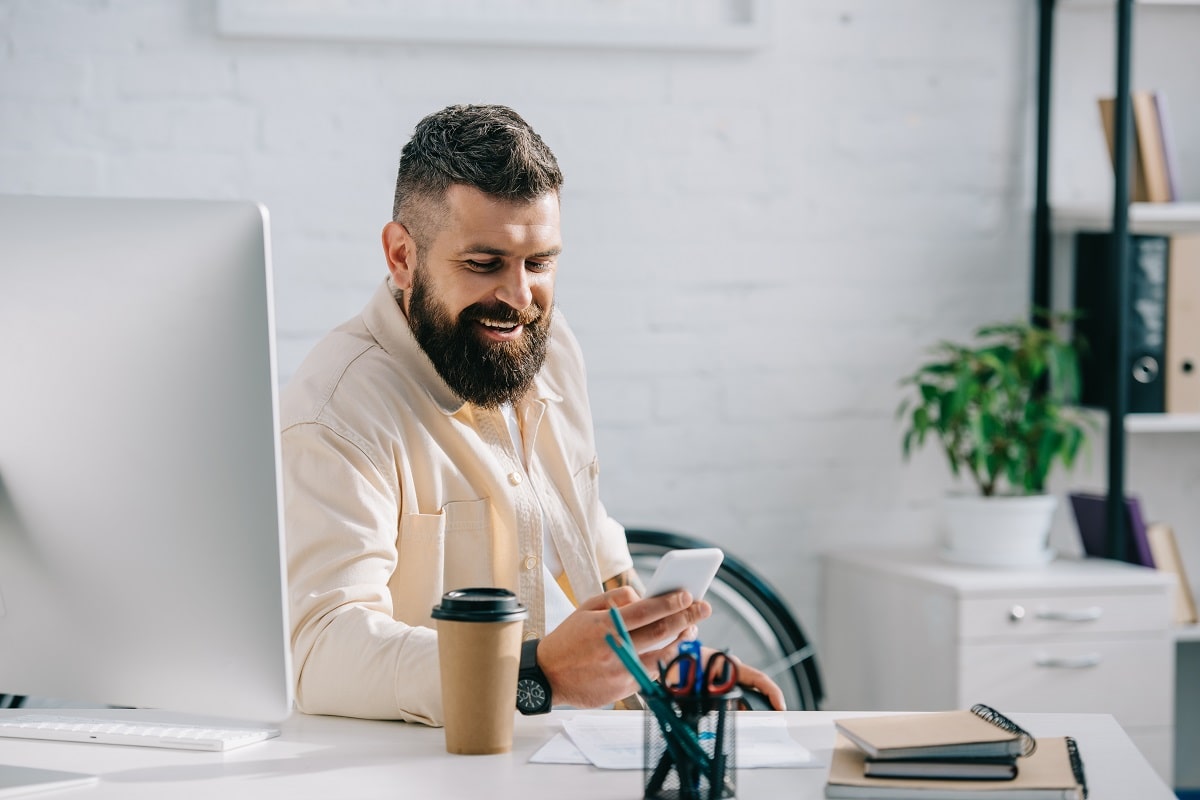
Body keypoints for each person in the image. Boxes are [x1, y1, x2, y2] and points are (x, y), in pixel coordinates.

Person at [281, 103, 784, 725]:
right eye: (484, 263)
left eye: (539, 263)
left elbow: (586, 541)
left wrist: (667, 664)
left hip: (579, 754)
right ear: (402, 256)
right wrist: (529, 675)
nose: (519, 299)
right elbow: (321, 652)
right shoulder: (337, 410)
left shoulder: (551, 345)